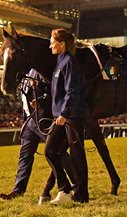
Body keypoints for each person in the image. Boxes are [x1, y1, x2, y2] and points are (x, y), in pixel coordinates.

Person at [0, 68, 77, 202]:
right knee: (25, 156)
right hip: (29, 121)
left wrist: (41, 102)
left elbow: (54, 93)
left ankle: (77, 185)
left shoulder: (41, 70)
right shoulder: (23, 73)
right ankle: (18, 190)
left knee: (58, 153)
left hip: (43, 120)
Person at [45, 28, 89, 204]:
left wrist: (63, 113)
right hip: (62, 116)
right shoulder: (60, 61)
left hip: (71, 116)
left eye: (52, 42)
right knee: (50, 151)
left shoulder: (69, 62)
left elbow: (72, 91)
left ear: (62, 44)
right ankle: (65, 188)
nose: (50, 46)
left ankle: (81, 195)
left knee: (77, 154)